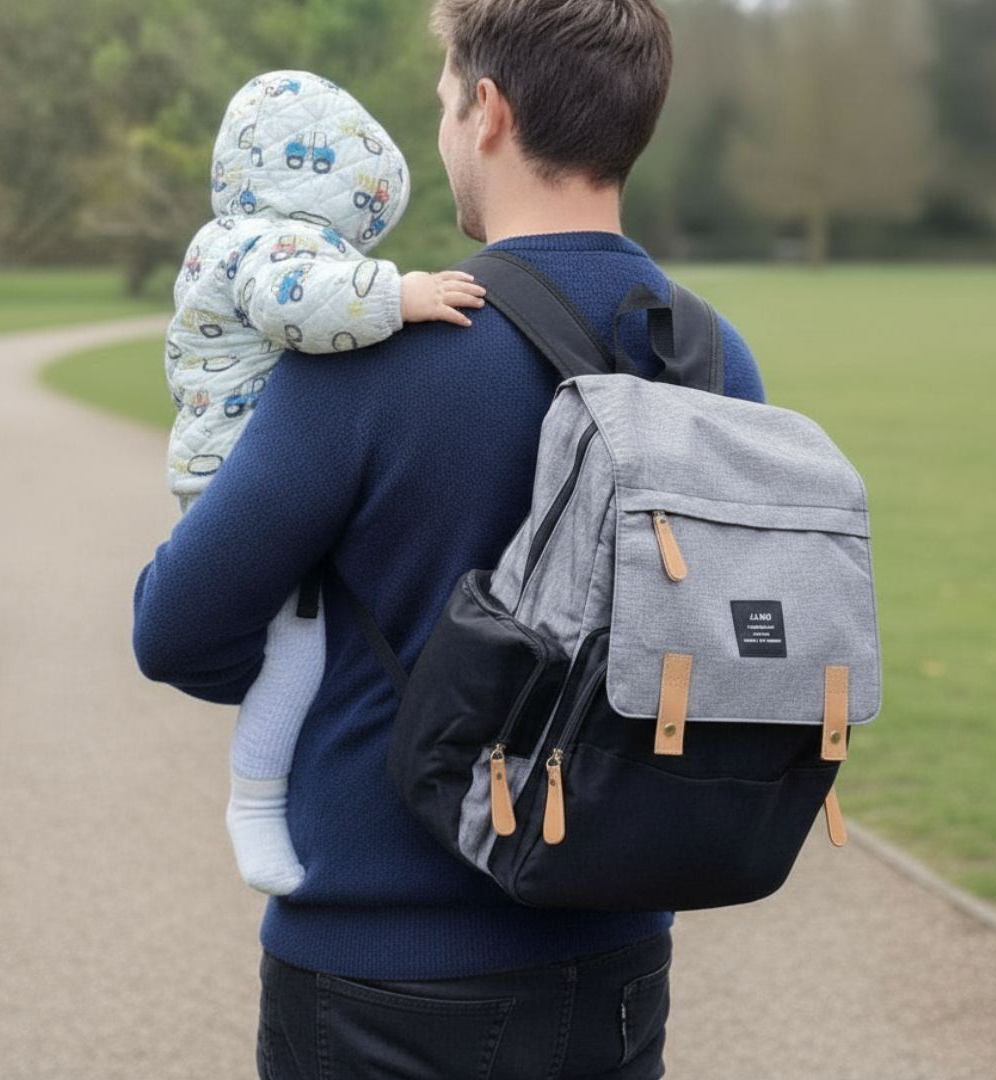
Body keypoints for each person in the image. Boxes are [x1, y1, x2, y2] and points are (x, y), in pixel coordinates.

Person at [133, 0, 766, 1075]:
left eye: (441, 105)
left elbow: (177, 631)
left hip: (381, 972)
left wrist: (309, 662)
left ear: (489, 111)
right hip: (617, 961)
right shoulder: (710, 356)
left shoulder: (371, 360)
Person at [165, 69, 485, 895]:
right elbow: (300, 304)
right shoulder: (272, 249)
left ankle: (271, 793)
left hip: (227, 466)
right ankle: (255, 801)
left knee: (303, 641)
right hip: (243, 476)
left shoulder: (227, 237)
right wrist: (400, 293)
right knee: (297, 655)